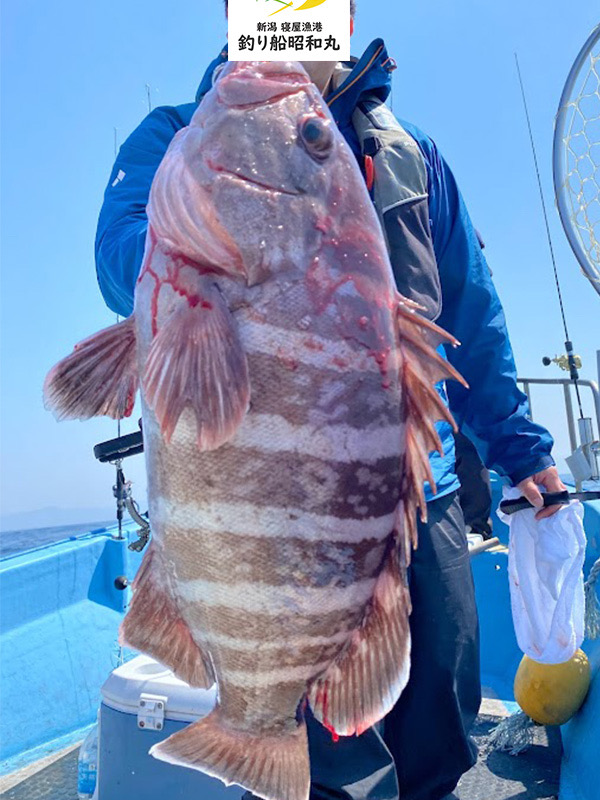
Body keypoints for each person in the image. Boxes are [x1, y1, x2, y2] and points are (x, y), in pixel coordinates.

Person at [94, 4, 566, 799]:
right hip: (257, 503)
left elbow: (472, 318)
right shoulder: (177, 135)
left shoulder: (411, 155)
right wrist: (206, 238)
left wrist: (523, 452)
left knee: (440, 721)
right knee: (330, 775)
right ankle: (264, 735)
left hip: (426, 489)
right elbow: (117, 266)